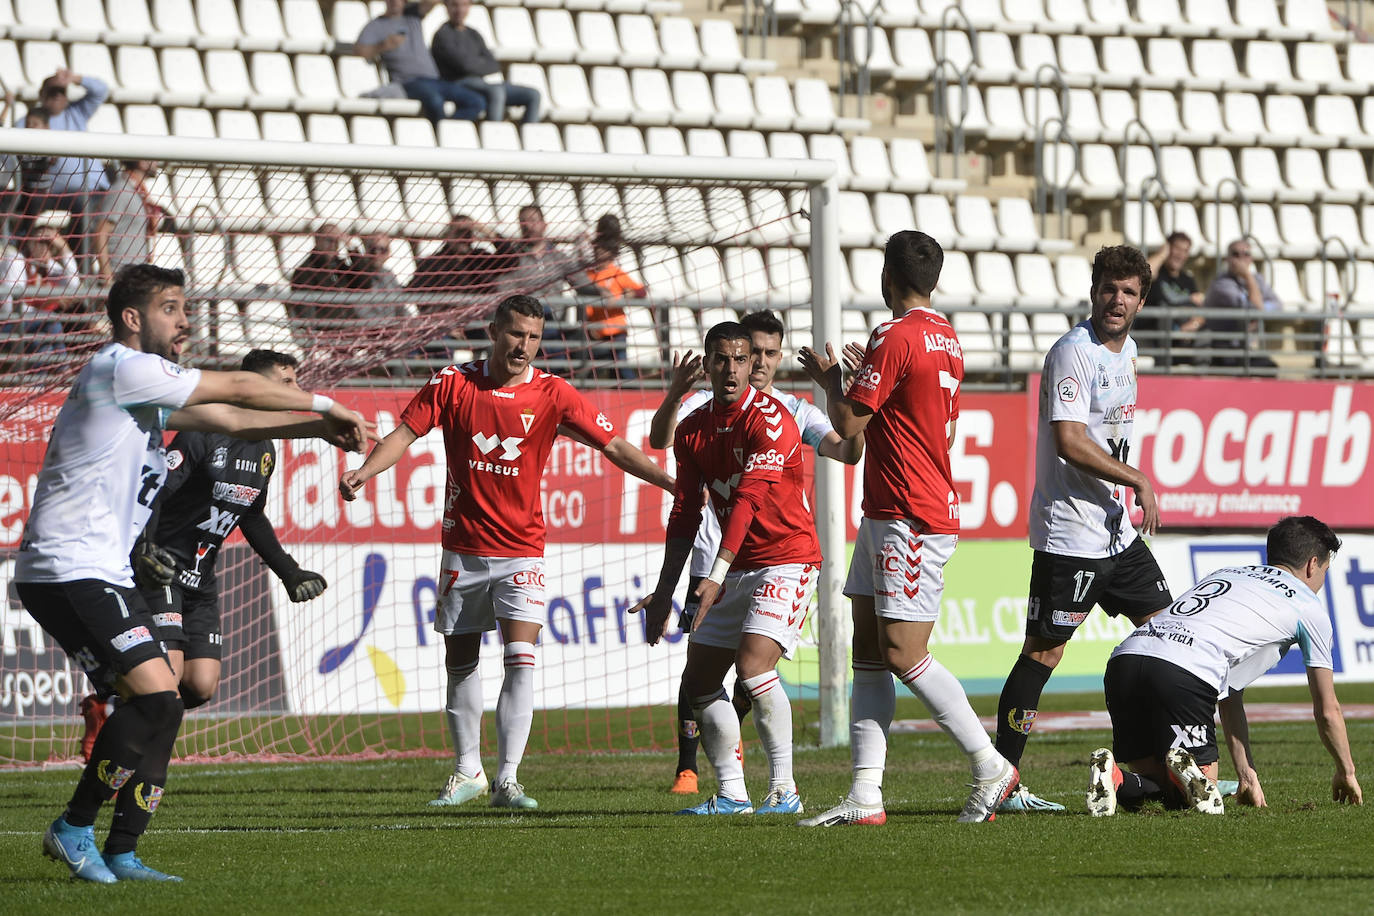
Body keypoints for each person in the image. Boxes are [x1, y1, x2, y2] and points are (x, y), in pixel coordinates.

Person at [14, 263, 369, 883]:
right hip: (73, 567)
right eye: (172, 308)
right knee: (157, 697)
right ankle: (73, 828)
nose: (184, 321)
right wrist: (326, 403)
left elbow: (233, 419)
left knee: (165, 704)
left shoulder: (141, 390)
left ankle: (121, 849)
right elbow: (240, 389)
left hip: (86, 571)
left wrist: (315, 428)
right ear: (133, 318)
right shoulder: (123, 367)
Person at [339, 294, 672, 811]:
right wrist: (364, 471)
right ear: (494, 330)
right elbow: (404, 434)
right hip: (463, 549)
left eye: (534, 337)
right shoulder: (452, 383)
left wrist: (670, 483)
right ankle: (466, 771)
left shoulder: (555, 393)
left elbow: (614, 447)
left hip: (522, 549)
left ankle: (507, 779)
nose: (524, 346)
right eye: (516, 333)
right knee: (461, 660)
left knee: (521, 659)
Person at [796, 230, 1018, 826]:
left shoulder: (892, 336)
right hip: (887, 509)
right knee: (867, 652)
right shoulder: (948, 337)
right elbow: (911, 425)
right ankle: (866, 795)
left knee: (901, 650)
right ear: (936, 279)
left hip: (910, 513)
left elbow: (848, 424)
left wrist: (829, 380)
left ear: (886, 276)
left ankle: (990, 766)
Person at [647, 309, 863, 796]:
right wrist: (664, 591)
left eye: (742, 360)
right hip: (734, 564)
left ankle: (784, 790)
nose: (733, 369)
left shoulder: (777, 417)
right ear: (706, 364)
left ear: (757, 365)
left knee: (752, 666)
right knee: (699, 679)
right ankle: (731, 795)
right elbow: (684, 512)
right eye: (722, 360)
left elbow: (746, 503)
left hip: (785, 559)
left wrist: (715, 575)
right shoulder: (693, 427)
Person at [78, 349, 331, 759]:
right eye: (287, 382)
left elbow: (251, 515)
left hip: (202, 579)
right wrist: (146, 549)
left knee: (201, 684)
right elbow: (157, 489)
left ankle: (111, 707)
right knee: (169, 673)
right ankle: (120, 736)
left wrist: (289, 571)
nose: (297, 391)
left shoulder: (265, 447)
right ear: (256, 386)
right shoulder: (203, 432)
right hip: (162, 570)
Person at [990, 244, 1171, 814]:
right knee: (1042, 657)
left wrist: (1124, 491)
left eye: (1129, 292)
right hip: (1072, 535)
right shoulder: (1074, 351)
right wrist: (1137, 478)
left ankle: (1148, 765)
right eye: (1109, 289)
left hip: (1116, 533)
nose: (1117, 300)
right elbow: (1069, 442)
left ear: (1142, 301)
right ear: (1093, 291)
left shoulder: (1130, 350)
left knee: (1170, 635)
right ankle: (1002, 781)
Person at [1088, 516, 1361, 816]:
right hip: (1184, 670)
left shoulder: (1229, 572)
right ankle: (1196, 776)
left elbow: (1229, 691)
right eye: (1324, 570)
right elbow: (1327, 709)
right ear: (1312, 565)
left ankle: (1114, 777)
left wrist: (1247, 775)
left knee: (1157, 784)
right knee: (1201, 795)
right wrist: (1346, 772)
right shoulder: (1308, 607)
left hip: (1125, 659)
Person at [354, 0, 486, 125]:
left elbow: (431, 2)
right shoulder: (376, 25)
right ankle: (440, 135)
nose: (395, 2)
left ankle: (445, 129)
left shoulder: (412, 15)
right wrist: (383, 45)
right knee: (435, 101)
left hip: (434, 80)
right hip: (408, 82)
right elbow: (359, 50)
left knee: (476, 101)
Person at [21, 69, 111, 245]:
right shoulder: (27, 123)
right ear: (41, 94)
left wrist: (76, 78)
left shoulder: (76, 112)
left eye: (61, 92)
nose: (57, 96)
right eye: (52, 92)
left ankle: (80, 263)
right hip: (54, 195)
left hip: (97, 190)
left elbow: (101, 90)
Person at [432, 0, 542, 123]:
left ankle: (527, 136)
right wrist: (478, 63)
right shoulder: (442, 35)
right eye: (455, 5)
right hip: (458, 83)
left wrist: (472, 64)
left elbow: (493, 65)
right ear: (447, 7)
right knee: (496, 92)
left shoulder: (474, 34)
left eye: (463, 5)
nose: (459, 10)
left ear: (469, 6)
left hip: (481, 82)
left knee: (533, 95)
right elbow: (463, 66)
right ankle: (494, 135)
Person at [1202, 239, 1281, 370]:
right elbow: (1255, 309)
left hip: (1243, 347)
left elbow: (1277, 306)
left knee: (1270, 368)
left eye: (1246, 254)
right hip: (1221, 348)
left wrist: (1260, 306)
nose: (1241, 258)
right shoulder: (1221, 284)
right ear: (1227, 259)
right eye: (1235, 254)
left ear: (1251, 259)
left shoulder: (1258, 279)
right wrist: (1248, 276)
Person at [583, 228, 646, 380]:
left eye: (603, 250)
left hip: (617, 333)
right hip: (595, 333)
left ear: (610, 253)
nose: (599, 253)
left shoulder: (616, 272)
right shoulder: (588, 275)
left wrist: (627, 294)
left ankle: (633, 395)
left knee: (621, 370)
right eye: (597, 249)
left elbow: (641, 291)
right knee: (591, 371)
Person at [92, 160, 165, 287]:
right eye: (153, 159)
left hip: (137, 276)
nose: (157, 162)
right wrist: (108, 276)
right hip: (119, 276)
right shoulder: (121, 190)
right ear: (142, 162)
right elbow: (100, 232)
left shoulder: (137, 191)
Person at [1139, 231, 1204, 368]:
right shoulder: (1157, 273)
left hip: (1182, 334)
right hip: (1156, 334)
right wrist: (1162, 254)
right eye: (1177, 249)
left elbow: (1201, 310)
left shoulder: (1188, 279)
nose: (1180, 255)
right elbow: (1143, 276)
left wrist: (1193, 325)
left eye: (1185, 251)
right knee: (1164, 315)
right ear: (1168, 248)